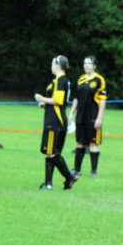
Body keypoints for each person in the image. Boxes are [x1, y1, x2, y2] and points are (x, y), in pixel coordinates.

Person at [34, 55, 78, 190]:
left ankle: (69, 177)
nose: (51, 66)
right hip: (55, 118)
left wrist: (41, 98)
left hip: (55, 121)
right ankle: (48, 183)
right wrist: (45, 105)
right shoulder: (62, 80)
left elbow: (58, 100)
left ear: (58, 65)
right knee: (49, 151)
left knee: (52, 152)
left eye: (53, 63)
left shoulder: (61, 80)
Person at [68, 56, 107, 177]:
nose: (86, 65)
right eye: (85, 63)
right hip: (81, 116)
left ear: (94, 66)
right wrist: (71, 112)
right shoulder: (80, 79)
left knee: (92, 143)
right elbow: (76, 98)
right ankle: (77, 169)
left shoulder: (99, 80)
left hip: (93, 115)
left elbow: (102, 100)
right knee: (80, 142)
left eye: (89, 64)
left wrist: (99, 118)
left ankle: (93, 171)